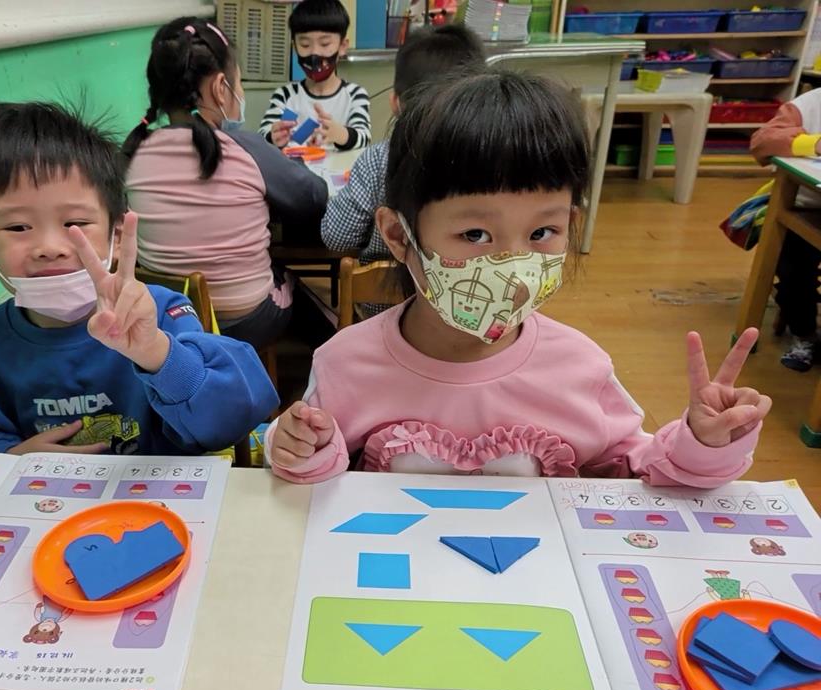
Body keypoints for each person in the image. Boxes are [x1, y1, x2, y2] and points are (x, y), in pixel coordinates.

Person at [267, 70, 771, 485]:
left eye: (542, 232)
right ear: (399, 236)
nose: (512, 262)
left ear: (571, 225)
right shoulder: (345, 363)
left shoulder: (579, 368)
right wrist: (299, 449)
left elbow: (637, 471)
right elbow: (316, 475)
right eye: (475, 234)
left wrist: (702, 443)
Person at [0, 101, 278, 454]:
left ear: (116, 236)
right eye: (18, 227)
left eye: (75, 223)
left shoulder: (162, 313)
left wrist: (156, 351)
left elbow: (233, 419)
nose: (49, 247)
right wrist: (12, 456)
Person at [124, 17, 328, 350]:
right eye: (239, 82)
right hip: (247, 322)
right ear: (221, 88)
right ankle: (326, 356)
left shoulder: (134, 154)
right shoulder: (245, 148)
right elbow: (314, 198)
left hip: (168, 320)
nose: (240, 92)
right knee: (290, 280)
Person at [321, 24, 484, 316]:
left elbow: (337, 236)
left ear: (395, 102)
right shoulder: (494, 164)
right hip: (473, 307)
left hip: (383, 308)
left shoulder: (377, 160)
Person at [749, 91, 821, 372]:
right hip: (805, 207)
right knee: (793, 266)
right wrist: (813, 143)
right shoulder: (808, 105)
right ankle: (804, 333)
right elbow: (762, 142)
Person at [258, 0, 371, 151]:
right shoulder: (286, 96)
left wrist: (341, 134)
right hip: (294, 166)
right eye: (305, 45)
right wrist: (273, 137)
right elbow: (262, 135)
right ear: (294, 47)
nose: (314, 52)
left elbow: (364, 137)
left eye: (325, 44)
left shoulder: (354, 95)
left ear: (342, 46)